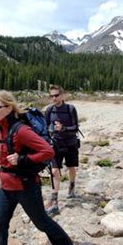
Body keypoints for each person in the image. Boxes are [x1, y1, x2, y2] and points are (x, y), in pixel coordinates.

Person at [0, 90, 75, 245]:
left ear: (9, 108)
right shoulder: (0, 127)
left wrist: (23, 159)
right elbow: (8, 146)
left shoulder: (21, 130)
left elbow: (48, 152)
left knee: (41, 222)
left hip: (26, 187)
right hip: (7, 188)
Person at [44, 85, 80, 216]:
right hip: (56, 144)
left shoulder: (70, 109)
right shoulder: (49, 110)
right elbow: (44, 128)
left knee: (71, 167)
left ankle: (71, 186)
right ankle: (54, 201)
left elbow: (76, 127)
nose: (54, 98)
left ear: (62, 95)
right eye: (51, 96)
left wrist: (64, 128)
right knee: (54, 171)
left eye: (56, 95)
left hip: (70, 143)